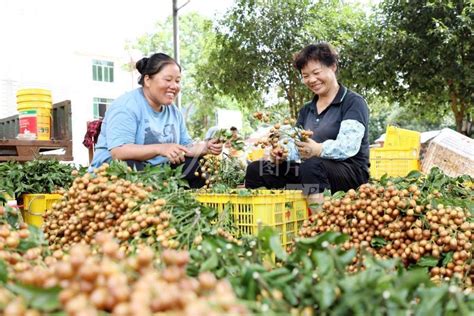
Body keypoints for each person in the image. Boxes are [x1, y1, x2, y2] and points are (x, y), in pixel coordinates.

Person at [245, 42, 370, 209]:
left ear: (332, 67)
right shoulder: (307, 110)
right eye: (305, 75)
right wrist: (282, 154)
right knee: (257, 169)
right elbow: (297, 147)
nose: (311, 79)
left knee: (312, 165)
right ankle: (267, 223)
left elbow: (349, 146)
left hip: (349, 174)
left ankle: (319, 227)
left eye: (316, 72)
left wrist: (318, 149)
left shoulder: (352, 102)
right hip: (312, 174)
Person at [90, 53, 223, 188]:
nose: (174, 86)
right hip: (114, 173)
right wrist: (161, 148)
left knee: (197, 165)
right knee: (130, 166)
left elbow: (186, 147)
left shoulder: (174, 111)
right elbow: (119, 152)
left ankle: (188, 204)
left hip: (158, 173)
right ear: (147, 80)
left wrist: (206, 146)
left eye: (177, 81)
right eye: (168, 80)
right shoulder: (127, 106)